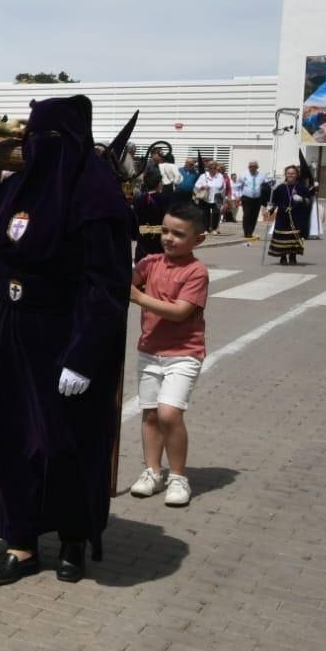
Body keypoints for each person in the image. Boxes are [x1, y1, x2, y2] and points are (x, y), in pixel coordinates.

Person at [0, 95, 133, 586]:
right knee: (9, 437)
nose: (40, 148)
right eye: (32, 138)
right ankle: (20, 541)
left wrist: (83, 356)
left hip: (63, 332)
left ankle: (73, 538)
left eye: (50, 139)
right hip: (7, 327)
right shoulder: (18, 185)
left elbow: (107, 284)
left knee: (66, 441)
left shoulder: (96, 196)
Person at [129, 203, 210, 508]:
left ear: (198, 239)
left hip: (183, 354)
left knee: (169, 414)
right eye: (165, 230)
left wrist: (139, 297)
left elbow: (179, 312)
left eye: (178, 234)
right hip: (150, 351)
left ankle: (178, 476)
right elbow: (124, 279)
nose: (168, 238)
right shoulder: (150, 263)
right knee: (150, 415)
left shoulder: (196, 271)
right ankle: (152, 471)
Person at [264, 164, 310, 265]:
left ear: (297, 175)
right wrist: (269, 210)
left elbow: (308, 202)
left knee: (294, 237)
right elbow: (274, 202)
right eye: (288, 173)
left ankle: (293, 257)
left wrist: (302, 199)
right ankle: (283, 257)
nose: (290, 175)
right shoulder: (280, 188)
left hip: (296, 216)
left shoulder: (302, 188)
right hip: (282, 216)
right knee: (282, 237)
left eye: (293, 173)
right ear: (285, 174)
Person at [236, 159, 267, 241]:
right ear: (248, 167)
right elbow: (238, 186)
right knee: (247, 215)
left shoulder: (262, 175)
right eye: (251, 166)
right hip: (246, 198)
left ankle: (251, 231)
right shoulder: (243, 175)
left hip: (257, 198)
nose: (252, 168)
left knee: (254, 216)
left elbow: (268, 183)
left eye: (254, 166)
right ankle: (247, 232)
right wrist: (238, 196)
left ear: (257, 167)